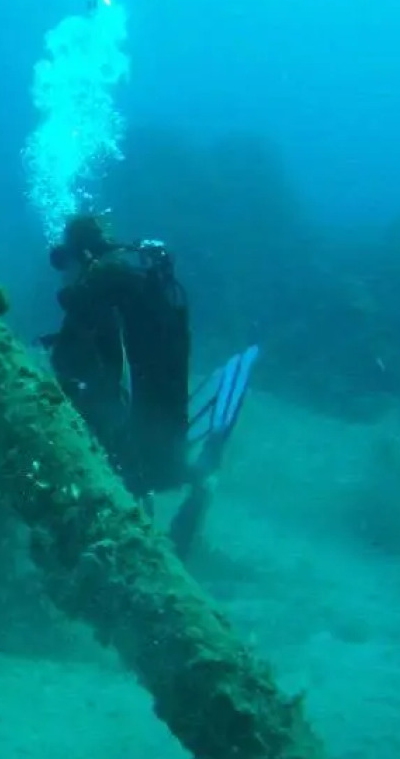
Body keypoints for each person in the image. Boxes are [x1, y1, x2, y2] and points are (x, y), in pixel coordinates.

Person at [40, 214, 256, 557]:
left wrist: (73, 286)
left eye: (64, 260)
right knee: (157, 461)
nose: (62, 270)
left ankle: (137, 522)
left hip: (143, 416)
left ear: (79, 252)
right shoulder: (136, 278)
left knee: (129, 462)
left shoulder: (105, 278)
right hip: (162, 407)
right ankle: (194, 486)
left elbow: (74, 320)